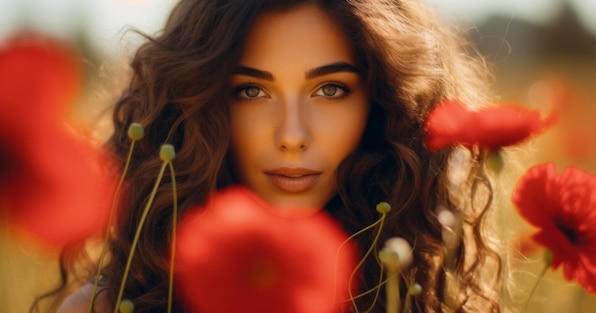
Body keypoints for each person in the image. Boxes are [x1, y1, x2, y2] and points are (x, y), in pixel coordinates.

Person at [36, 0, 504, 312]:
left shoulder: (416, 297)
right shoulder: (105, 307)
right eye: (252, 91)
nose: (292, 136)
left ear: (386, 104)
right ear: (197, 105)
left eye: (330, 89)